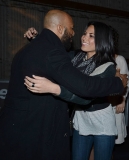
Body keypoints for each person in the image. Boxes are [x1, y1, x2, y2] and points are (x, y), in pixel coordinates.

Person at [0, 9, 126, 160]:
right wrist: (38, 38)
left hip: (100, 120)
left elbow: (86, 93)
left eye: (91, 35)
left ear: (102, 41)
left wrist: (119, 83)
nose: (80, 35)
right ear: (60, 28)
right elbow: (50, 56)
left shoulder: (108, 66)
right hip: (79, 119)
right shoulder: (75, 56)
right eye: (83, 32)